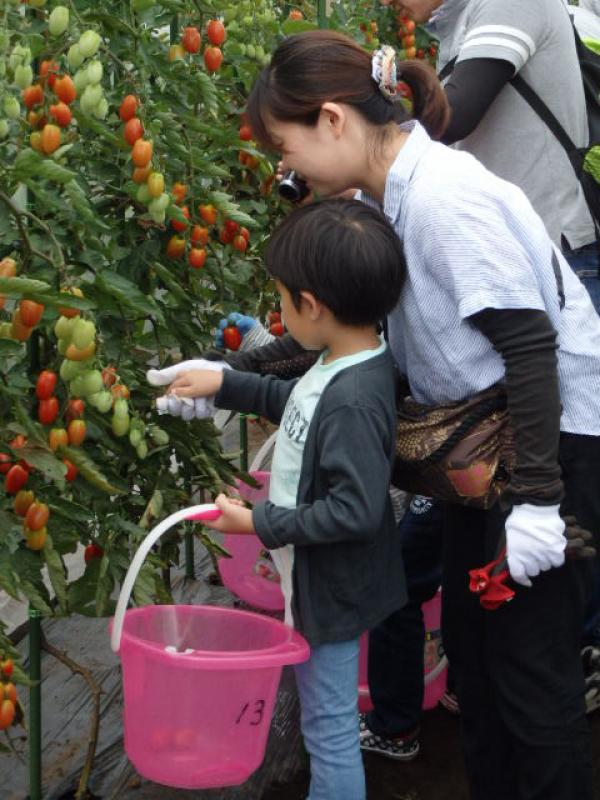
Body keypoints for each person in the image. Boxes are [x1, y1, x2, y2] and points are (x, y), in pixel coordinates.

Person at [241, 29, 600, 799]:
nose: (286, 170)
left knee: (531, 680)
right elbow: (357, 335)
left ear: (333, 120)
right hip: (486, 459)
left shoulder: (442, 200)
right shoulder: (390, 195)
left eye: (286, 146)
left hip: (548, 444)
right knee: (476, 659)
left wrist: (539, 504)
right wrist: (234, 372)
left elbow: (532, 347)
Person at [153, 198, 408, 800]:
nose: (282, 311)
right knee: (327, 718)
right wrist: (224, 382)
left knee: (329, 727)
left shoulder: (353, 398)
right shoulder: (343, 361)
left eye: (284, 299)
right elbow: (293, 400)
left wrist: (256, 522)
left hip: (333, 593)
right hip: (319, 582)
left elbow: (356, 509)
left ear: (312, 306)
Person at [398, 0, 600, 308]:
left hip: (556, 259)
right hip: (516, 253)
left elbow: (453, 117)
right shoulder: (465, 19)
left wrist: (364, 125)